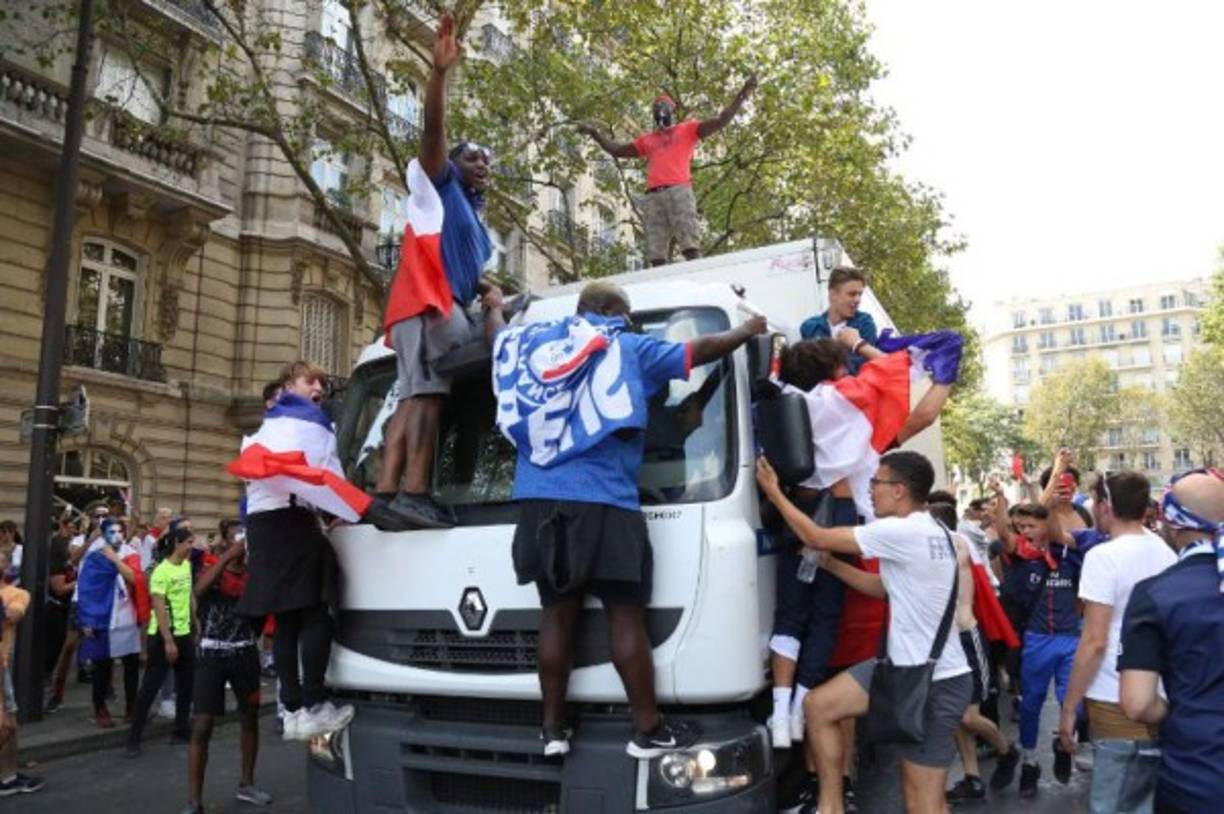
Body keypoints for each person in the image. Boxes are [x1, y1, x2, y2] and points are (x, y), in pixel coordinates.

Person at [487, 280, 766, 758]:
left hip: (537, 504)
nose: (630, 322)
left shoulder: (533, 346)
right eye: (626, 314)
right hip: (606, 503)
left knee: (556, 616)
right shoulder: (626, 346)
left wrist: (494, 307)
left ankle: (552, 729)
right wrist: (746, 330)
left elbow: (496, 340)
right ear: (611, 311)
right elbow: (697, 350)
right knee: (625, 615)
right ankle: (647, 728)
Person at [758, 450, 971, 814]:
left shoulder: (900, 530)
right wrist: (829, 566)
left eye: (876, 482)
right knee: (819, 706)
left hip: (932, 681)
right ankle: (831, 805)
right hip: (900, 670)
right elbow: (883, 587)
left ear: (900, 490)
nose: (870, 491)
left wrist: (774, 492)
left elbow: (816, 535)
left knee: (923, 803)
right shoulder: (935, 529)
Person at [371, 13, 499, 531]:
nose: (482, 164)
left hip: (420, 307)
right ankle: (417, 492)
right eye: (473, 157)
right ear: (452, 162)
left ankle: (385, 489)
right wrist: (439, 73)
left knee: (411, 393)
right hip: (427, 302)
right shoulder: (438, 186)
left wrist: (486, 287)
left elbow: (465, 263)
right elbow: (432, 131)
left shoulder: (471, 216)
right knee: (426, 395)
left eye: (488, 161)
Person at [230, 361, 362, 742]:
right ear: (290, 385)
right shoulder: (308, 421)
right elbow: (330, 474)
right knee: (317, 611)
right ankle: (316, 703)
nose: (318, 385)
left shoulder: (269, 425)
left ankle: (293, 710)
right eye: (310, 380)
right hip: (291, 523)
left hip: (263, 526)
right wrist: (352, 510)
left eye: (322, 380)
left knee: (287, 621)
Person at [1118, 468, 1224, 814]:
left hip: (1197, 778)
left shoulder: (1155, 593)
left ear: (1172, 522)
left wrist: (1179, 709)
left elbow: (1138, 704)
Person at [1056, 471, 1173, 781]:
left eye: (1095, 501)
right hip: (1158, 691)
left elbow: (1095, 641)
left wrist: (1069, 708)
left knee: (1115, 797)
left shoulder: (1103, 557)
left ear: (1105, 505)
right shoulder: (1164, 551)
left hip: (1113, 693)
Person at [577, 76, 757, 266]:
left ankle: (698, 276)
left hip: (679, 190)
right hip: (654, 197)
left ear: (672, 111)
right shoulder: (648, 140)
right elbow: (617, 150)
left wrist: (743, 93)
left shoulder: (687, 129)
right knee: (656, 254)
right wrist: (595, 134)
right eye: (656, 108)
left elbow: (722, 120)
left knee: (689, 245)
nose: (659, 110)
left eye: (663, 106)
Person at [923, 502, 1021, 802]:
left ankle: (1006, 750)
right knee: (956, 715)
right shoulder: (931, 546)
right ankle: (972, 777)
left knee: (968, 715)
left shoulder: (955, 543)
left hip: (966, 638)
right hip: (944, 642)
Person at [988, 497, 1083, 797]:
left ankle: (1062, 744)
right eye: (1022, 525)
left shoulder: (1070, 554)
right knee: (1030, 706)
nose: (1026, 530)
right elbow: (1005, 534)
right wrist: (1000, 508)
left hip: (1070, 639)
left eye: (1033, 525)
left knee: (1075, 706)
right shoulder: (1018, 556)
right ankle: (1030, 762)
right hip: (1036, 640)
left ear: (1047, 526)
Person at [183, 520, 271, 813]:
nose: (240, 546)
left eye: (243, 541)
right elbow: (197, 592)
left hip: (243, 654)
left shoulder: (254, 576)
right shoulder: (212, 572)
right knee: (202, 725)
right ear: (225, 541)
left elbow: (260, 613)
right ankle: (194, 800)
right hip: (211, 655)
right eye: (235, 539)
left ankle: (247, 783)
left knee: (250, 717)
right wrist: (225, 558)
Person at [127, 526, 197, 755]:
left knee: (186, 686)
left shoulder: (187, 566)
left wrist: (196, 623)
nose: (192, 546)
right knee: (150, 687)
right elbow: (159, 606)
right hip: (163, 636)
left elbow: (189, 596)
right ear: (176, 543)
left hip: (185, 634)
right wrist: (168, 640)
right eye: (188, 542)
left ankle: (181, 731)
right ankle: (134, 739)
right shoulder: (160, 572)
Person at [76, 517, 144, 728]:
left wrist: (115, 559)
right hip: (101, 617)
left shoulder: (130, 553)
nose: (117, 535)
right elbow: (85, 589)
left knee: (131, 664)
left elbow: (134, 579)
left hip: (126, 616)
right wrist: (86, 620)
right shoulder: (94, 555)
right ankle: (100, 707)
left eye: (120, 531)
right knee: (101, 665)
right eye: (112, 531)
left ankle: (131, 707)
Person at [0, 578, 44, 797]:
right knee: (6, 725)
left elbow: (11, 617)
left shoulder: (18, 594)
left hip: (2, 665)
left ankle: (8, 779)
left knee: (10, 725)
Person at [798, 267, 879, 375]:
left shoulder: (864, 323)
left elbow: (860, 368)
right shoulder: (810, 327)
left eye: (860, 294)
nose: (857, 300)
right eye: (852, 294)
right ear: (833, 294)